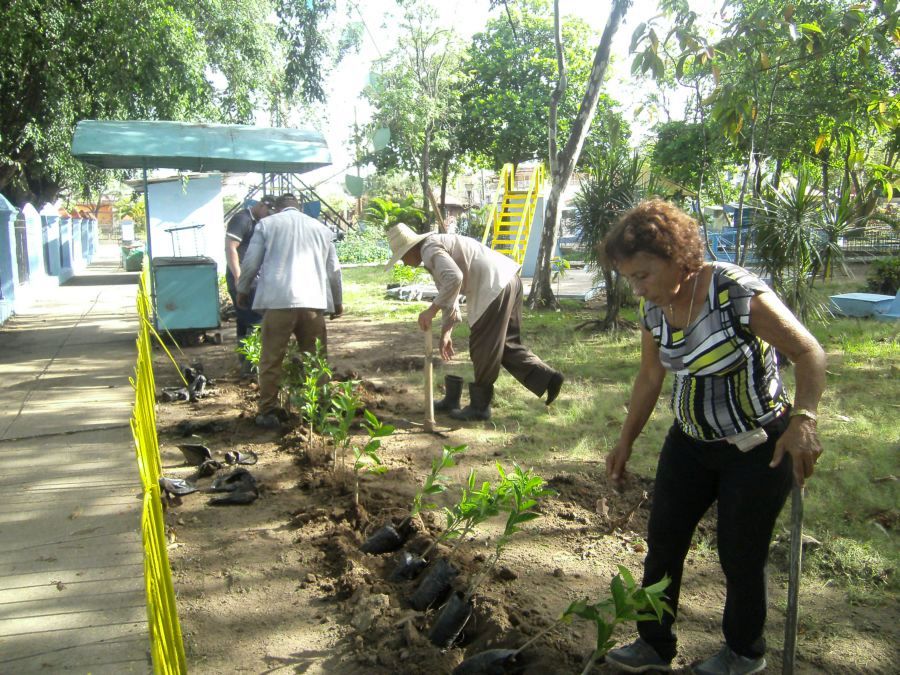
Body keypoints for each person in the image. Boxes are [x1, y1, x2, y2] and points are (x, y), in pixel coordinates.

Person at [600, 200, 825, 674]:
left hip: (758, 445)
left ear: (677, 257)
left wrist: (804, 419)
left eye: (643, 275)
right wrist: (625, 441)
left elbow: (809, 352)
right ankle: (653, 644)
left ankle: (744, 653)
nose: (637, 288)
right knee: (663, 542)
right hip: (689, 442)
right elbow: (649, 377)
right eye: (630, 279)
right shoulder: (655, 309)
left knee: (740, 554)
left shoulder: (733, 291)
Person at [384, 223, 563, 421]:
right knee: (505, 345)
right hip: (509, 279)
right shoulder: (433, 250)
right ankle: (548, 378)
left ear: (410, 249)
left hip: (493, 286)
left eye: (401, 257)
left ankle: (480, 407)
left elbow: (454, 278)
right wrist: (446, 333)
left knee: (483, 346)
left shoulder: (429, 249)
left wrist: (430, 310)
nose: (403, 262)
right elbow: (450, 294)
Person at [237, 193, 343, 428]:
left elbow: (251, 261)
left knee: (271, 359)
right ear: (300, 208)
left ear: (276, 209)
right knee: (316, 360)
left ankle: (267, 411)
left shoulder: (267, 224)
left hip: (278, 303)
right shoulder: (321, 229)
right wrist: (338, 301)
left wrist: (242, 289)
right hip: (312, 303)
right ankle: (319, 411)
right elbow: (334, 270)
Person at [225, 195, 276, 374]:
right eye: (268, 213)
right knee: (255, 320)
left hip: (254, 278)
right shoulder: (242, 219)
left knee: (244, 319)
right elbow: (231, 247)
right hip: (243, 279)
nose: (268, 217)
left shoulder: (261, 222)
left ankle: (245, 361)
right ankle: (252, 365)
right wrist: (239, 278)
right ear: (261, 205)